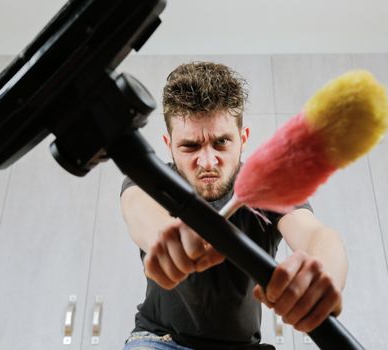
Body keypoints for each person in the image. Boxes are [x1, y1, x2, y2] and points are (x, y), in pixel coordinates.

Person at [120, 62, 348, 350]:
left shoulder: (268, 189)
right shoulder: (151, 182)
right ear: (169, 144)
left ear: (242, 139)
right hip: (161, 341)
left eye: (221, 143)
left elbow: (317, 235)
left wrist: (323, 274)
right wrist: (166, 235)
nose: (207, 162)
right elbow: (138, 209)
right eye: (190, 146)